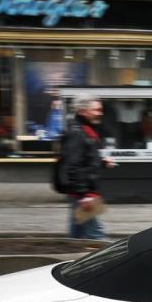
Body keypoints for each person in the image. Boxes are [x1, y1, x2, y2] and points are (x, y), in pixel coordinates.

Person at [60, 95, 112, 240]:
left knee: (76, 235)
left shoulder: (86, 130)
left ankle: (71, 258)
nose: (100, 113)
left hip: (83, 191)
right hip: (85, 193)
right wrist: (84, 195)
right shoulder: (78, 132)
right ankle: (109, 262)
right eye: (96, 110)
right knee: (97, 235)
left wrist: (101, 161)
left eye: (100, 110)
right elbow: (73, 165)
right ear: (83, 111)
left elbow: (85, 158)